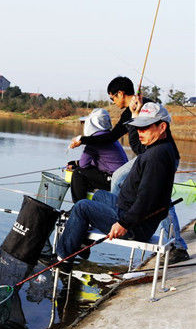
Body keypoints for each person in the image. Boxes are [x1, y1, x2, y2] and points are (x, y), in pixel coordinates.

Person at [68, 77, 189, 264]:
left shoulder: (146, 107)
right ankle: (117, 215)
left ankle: (177, 245)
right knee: (118, 177)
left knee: (161, 199)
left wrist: (84, 140)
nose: (114, 104)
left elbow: (135, 144)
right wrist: (131, 116)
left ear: (120, 94)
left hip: (159, 156)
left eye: (112, 99)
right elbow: (115, 138)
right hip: (147, 155)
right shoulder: (131, 110)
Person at [67, 108, 128, 203]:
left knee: (78, 173)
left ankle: (78, 207)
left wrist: (77, 164)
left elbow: (83, 165)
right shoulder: (108, 136)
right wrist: (76, 163)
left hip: (114, 179)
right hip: (122, 178)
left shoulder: (94, 140)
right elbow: (101, 161)